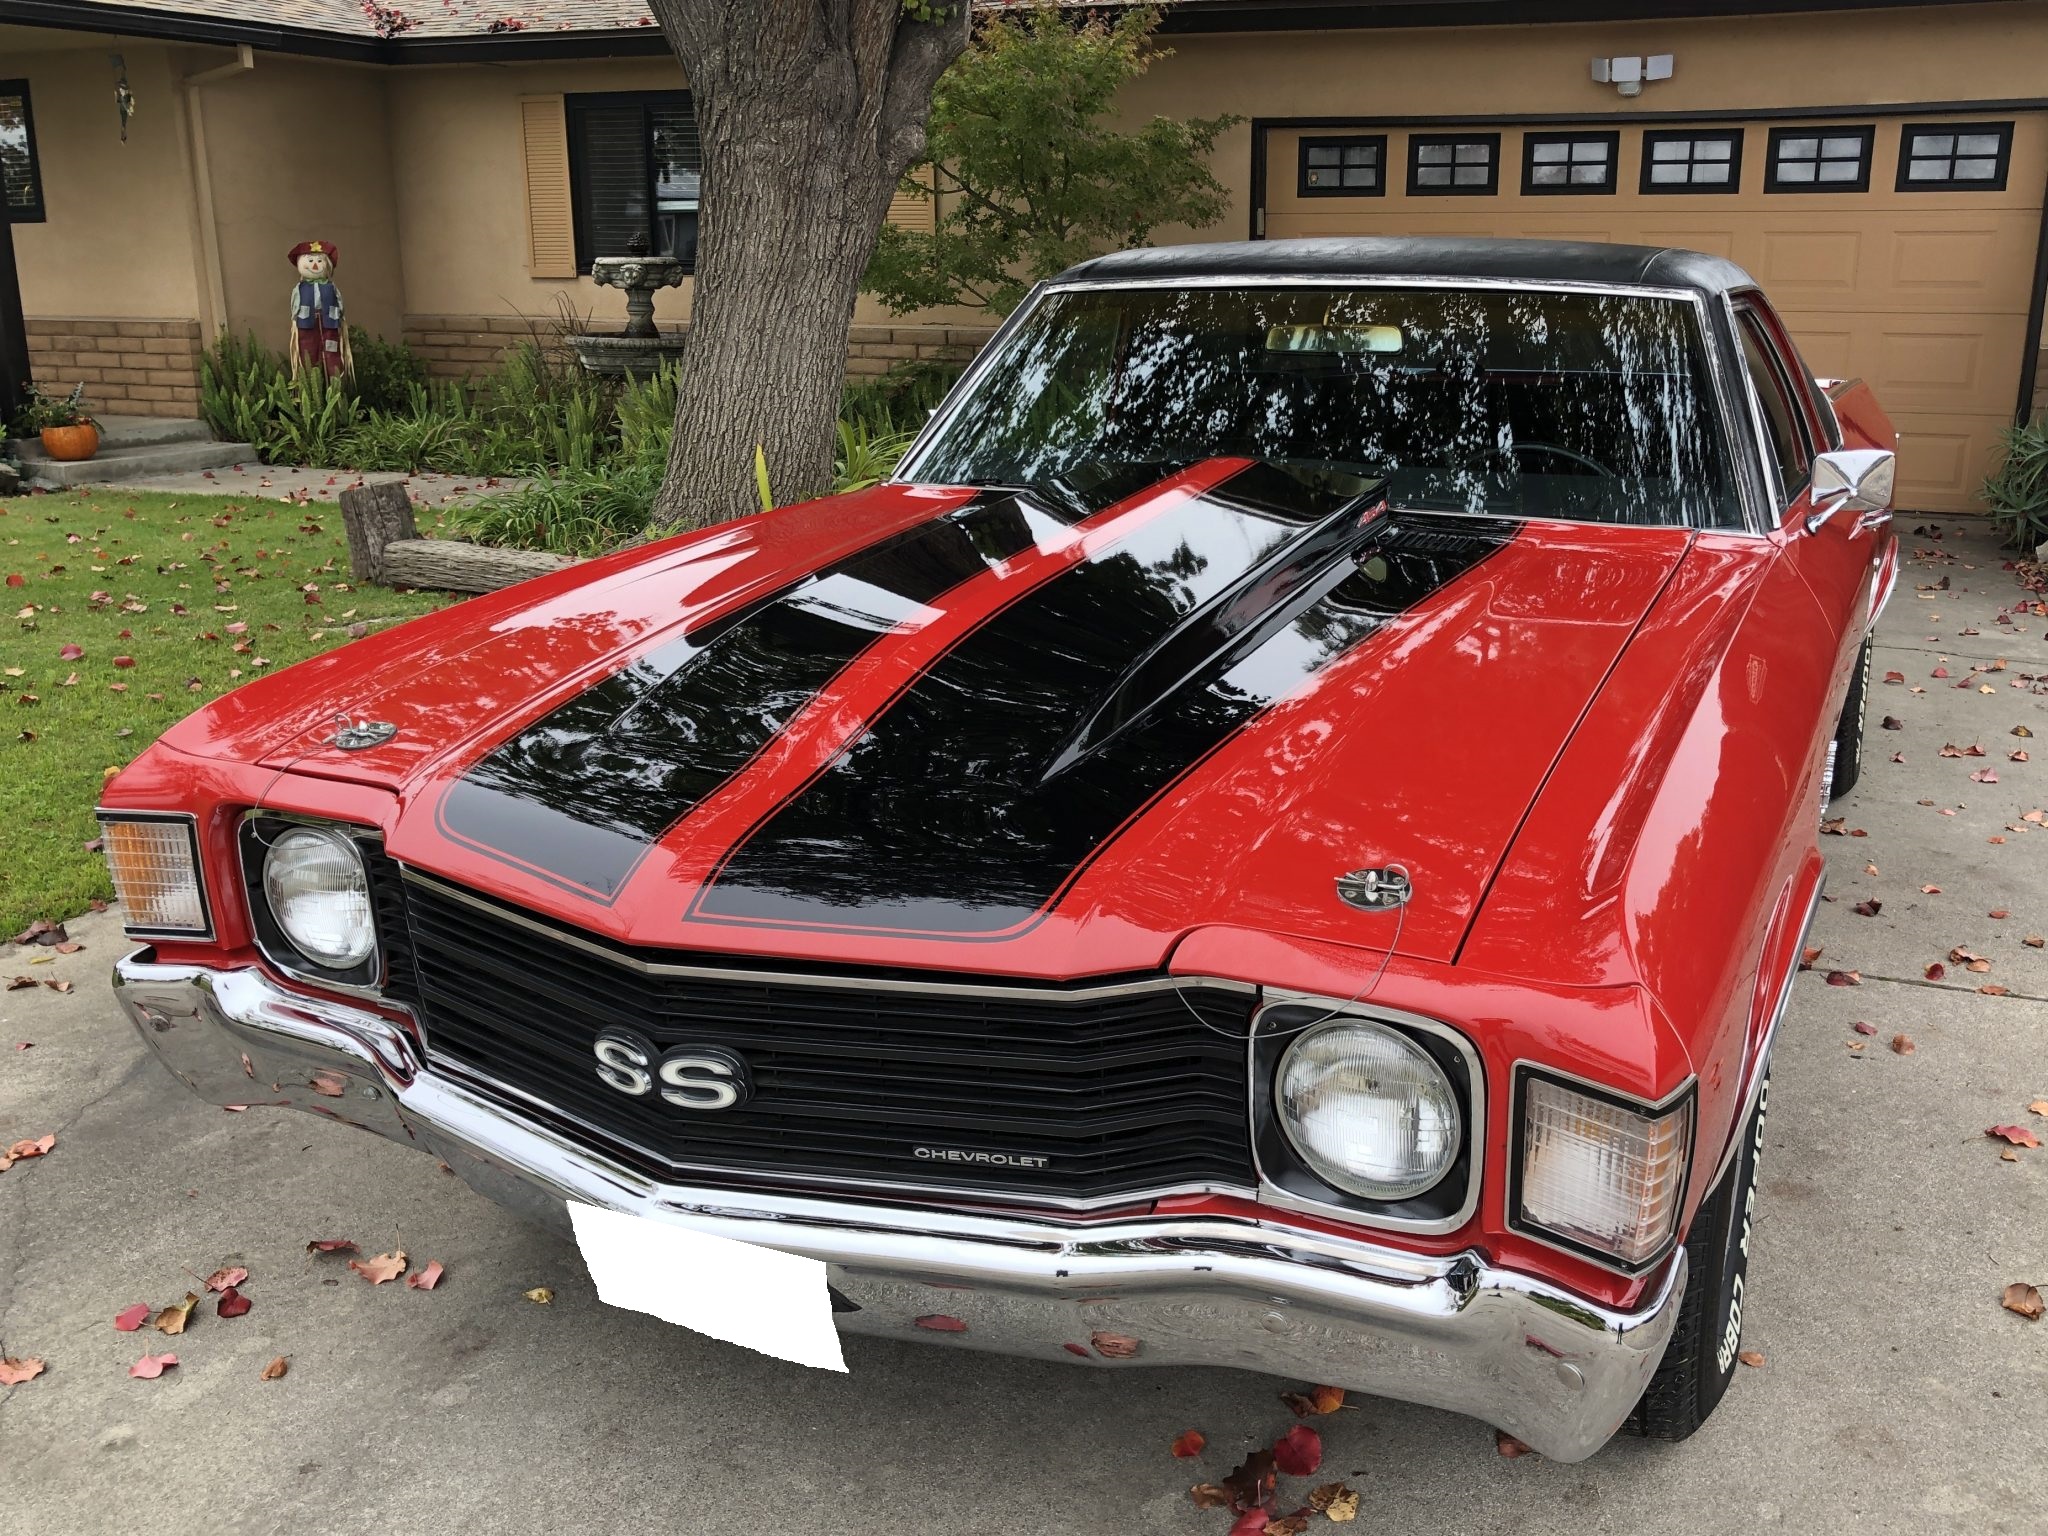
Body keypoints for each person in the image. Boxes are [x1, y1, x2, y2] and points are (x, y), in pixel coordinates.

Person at [287, 240, 351, 379]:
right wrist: (294, 320)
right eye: (310, 261)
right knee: (307, 349)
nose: (315, 265)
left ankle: (335, 380)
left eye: (319, 261)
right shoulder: (300, 288)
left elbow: (339, 302)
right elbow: (295, 304)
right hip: (306, 323)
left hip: (330, 323)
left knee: (331, 348)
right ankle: (310, 381)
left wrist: (341, 317)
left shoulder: (331, 287)